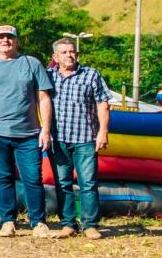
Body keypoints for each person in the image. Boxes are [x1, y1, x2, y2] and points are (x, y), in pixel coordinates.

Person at [0, 25, 54, 238]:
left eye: (9, 37)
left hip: (28, 134)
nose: (5, 41)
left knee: (32, 178)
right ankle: (7, 222)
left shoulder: (31, 63)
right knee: (3, 178)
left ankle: (38, 222)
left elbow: (43, 98)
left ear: (16, 40)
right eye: (1, 37)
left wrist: (45, 130)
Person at [47, 37, 110, 240]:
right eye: (64, 52)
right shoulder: (47, 76)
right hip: (58, 139)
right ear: (55, 56)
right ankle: (68, 224)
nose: (69, 55)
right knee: (62, 183)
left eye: (72, 51)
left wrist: (103, 131)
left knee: (88, 183)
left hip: (85, 138)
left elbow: (102, 103)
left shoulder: (91, 74)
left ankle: (90, 225)